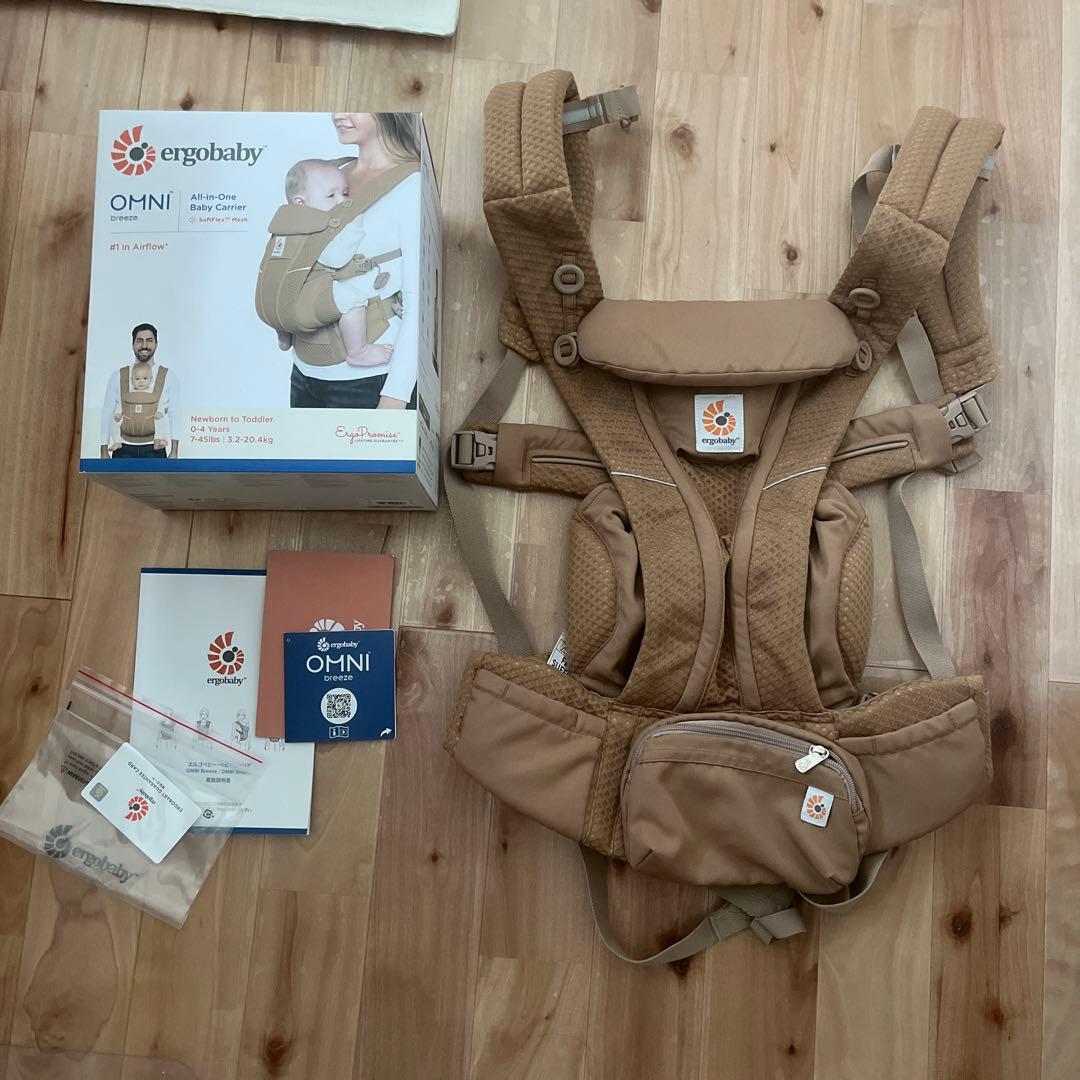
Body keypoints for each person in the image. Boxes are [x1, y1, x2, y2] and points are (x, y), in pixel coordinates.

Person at [288, 113, 421, 411]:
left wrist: (395, 396)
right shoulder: (327, 171)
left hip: (370, 382)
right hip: (304, 371)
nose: (339, 114)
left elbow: (419, 301)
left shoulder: (411, 185)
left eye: (355, 105)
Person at [272, 158, 396, 368]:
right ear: (301, 203)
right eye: (331, 196)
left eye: (344, 193)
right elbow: (335, 259)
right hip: (303, 295)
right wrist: (354, 227)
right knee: (353, 299)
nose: (341, 201)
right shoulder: (314, 227)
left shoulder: (283, 224)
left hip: (275, 300)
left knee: (280, 296)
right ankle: (358, 351)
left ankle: (284, 336)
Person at [99, 324, 181, 459]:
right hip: (122, 448)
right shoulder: (118, 376)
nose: (144, 345)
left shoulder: (168, 376)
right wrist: (103, 450)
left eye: (149, 340)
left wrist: (174, 451)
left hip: (155, 449)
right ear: (133, 344)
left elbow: (175, 413)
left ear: (156, 344)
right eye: (139, 340)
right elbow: (107, 412)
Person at [107, 360, 169, 453]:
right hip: (127, 425)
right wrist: (117, 414)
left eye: (145, 378)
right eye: (137, 379)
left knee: (159, 421)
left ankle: (158, 440)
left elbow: (160, 404)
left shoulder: (153, 393)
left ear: (151, 379)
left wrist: (160, 412)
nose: (141, 381)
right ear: (131, 380)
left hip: (151, 424)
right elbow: (121, 404)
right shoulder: (127, 394)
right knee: (114, 421)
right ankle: (117, 441)